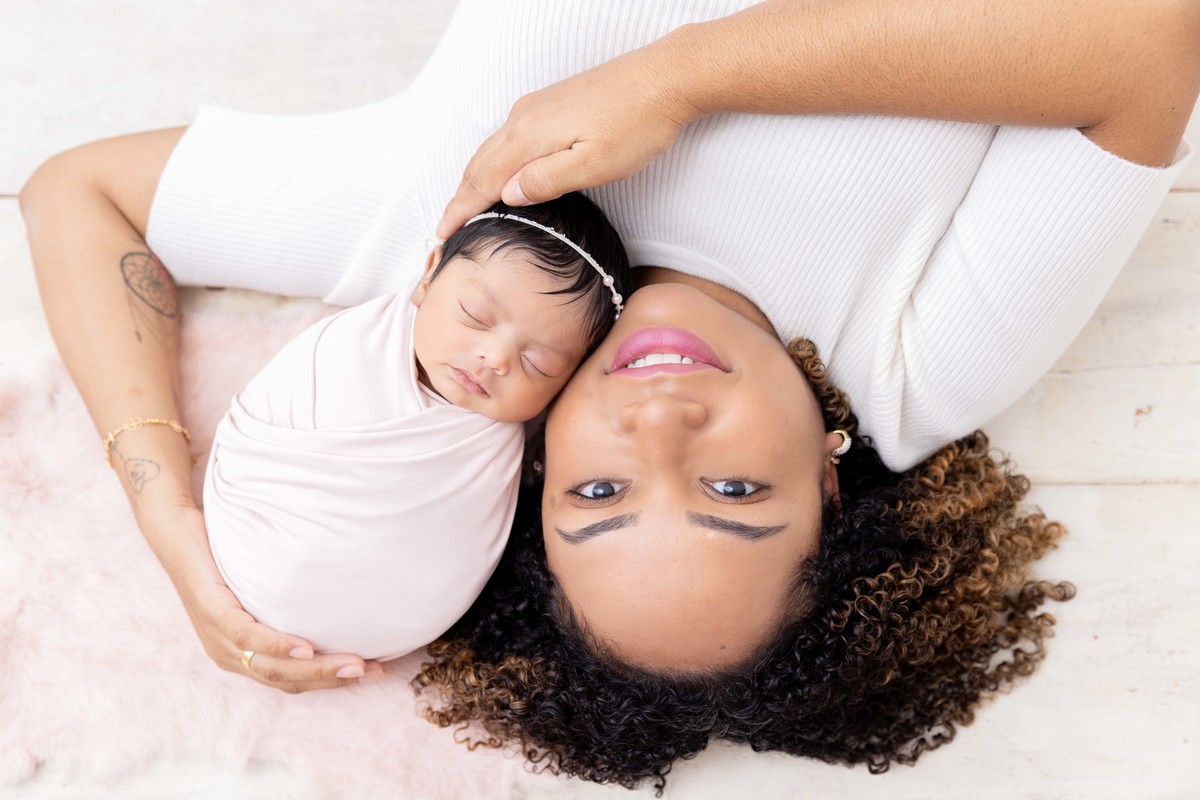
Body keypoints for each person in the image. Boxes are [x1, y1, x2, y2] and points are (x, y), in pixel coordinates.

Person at [19, 0, 1197, 778]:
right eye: (733, 485)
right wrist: (684, 79)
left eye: (600, 490)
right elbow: (1151, 46)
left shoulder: (446, 264)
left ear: (533, 474)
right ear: (833, 485)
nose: (659, 425)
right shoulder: (913, 372)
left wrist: (165, 516)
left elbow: (76, 193)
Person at [203, 195, 631, 661]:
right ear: (428, 276)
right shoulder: (349, 349)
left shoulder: (505, 443)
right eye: (475, 315)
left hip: (387, 622)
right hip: (249, 544)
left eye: (537, 361)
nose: (495, 359)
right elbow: (265, 427)